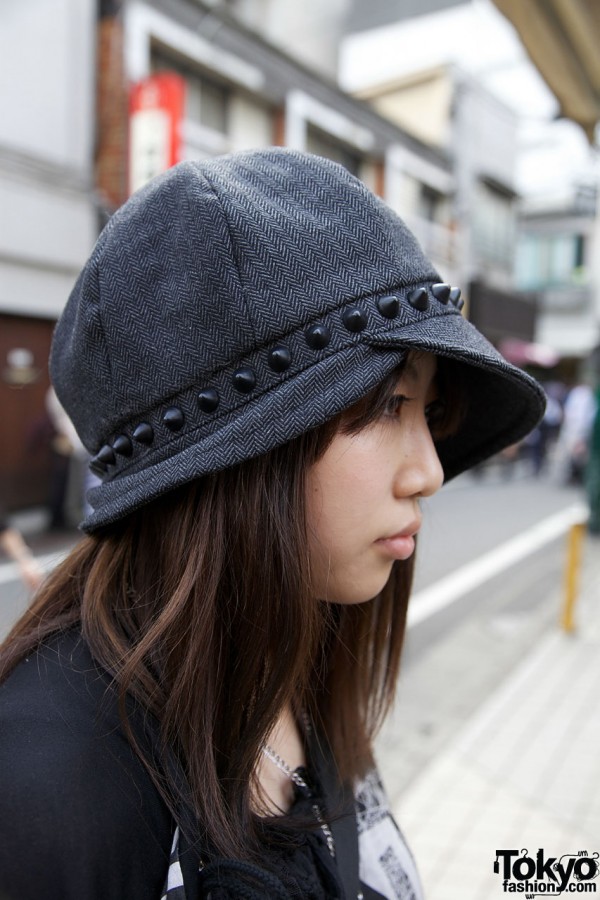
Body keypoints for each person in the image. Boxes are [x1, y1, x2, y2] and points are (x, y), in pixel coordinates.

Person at [0, 149, 545, 900]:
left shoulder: (298, 652)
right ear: (242, 458)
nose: (429, 471)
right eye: (388, 406)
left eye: (430, 408)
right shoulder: (48, 789)